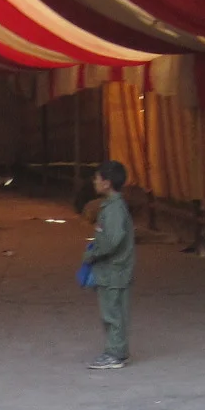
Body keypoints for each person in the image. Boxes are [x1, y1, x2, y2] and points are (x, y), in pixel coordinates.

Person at [81, 158, 135, 370]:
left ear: (107, 183)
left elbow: (113, 239)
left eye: (96, 179)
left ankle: (115, 354)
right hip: (113, 271)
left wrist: (94, 253)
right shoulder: (111, 207)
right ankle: (118, 351)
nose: (94, 182)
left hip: (114, 271)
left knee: (112, 313)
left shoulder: (113, 210)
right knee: (114, 311)